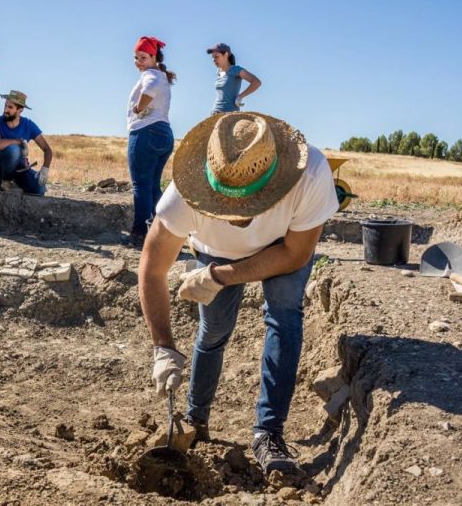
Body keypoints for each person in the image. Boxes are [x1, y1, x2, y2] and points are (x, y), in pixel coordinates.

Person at [140, 112, 339, 477]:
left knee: (283, 316)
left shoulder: (310, 174)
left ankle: (268, 433)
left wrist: (219, 276)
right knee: (213, 330)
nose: (235, 215)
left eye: (245, 206)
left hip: (283, 246)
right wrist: (163, 346)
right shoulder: (183, 196)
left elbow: (295, 254)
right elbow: (152, 269)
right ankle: (194, 419)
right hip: (214, 250)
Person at [122, 36, 176, 248]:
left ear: (154, 57)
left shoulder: (152, 75)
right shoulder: (161, 75)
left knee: (141, 185)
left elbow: (149, 89)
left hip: (145, 133)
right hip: (164, 133)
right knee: (153, 186)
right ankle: (165, 233)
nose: (139, 62)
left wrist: (138, 108)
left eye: (143, 57)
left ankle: (140, 234)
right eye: (136, 58)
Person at [0, 90, 53, 194]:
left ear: (20, 110)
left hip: (21, 169)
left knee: (40, 189)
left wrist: (45, 168)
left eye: (10, 107)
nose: (5, 110)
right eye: (5, 106)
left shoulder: (28, 124)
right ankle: (6, 182)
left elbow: (47, 149)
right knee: (14, 149)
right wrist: (19, 142)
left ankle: (8, 185)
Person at [207, 43, 261, 114]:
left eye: (216, 57)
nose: (214, 60)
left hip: (230, 113)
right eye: (213, 58)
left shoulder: (235, 70)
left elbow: (256, 82)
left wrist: (240, 97)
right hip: (215, 112)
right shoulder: (218, 72)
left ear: (226, 55)